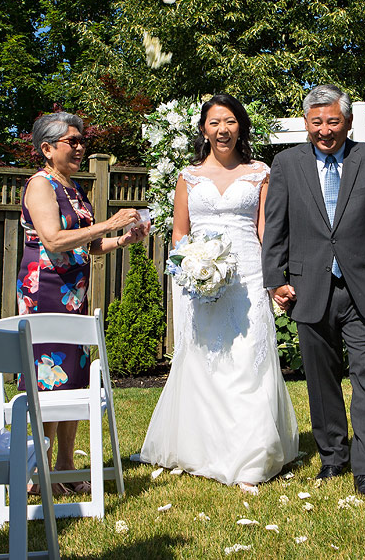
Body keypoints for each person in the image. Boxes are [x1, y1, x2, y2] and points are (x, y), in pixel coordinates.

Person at [137, 94, 299, 488]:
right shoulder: (188, 176)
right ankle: (205, 449)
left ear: (240, 126)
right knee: (207, 360)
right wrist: (189, 266)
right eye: (214, 122)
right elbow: (179, 231)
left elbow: (266, 230)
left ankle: (252, 455)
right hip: (200, 279)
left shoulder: (260, 172)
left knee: (247, 359)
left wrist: (276, 276)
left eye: (229, 121)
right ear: (204, 130)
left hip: (247, 272)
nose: (222, 129)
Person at [262, 85, 365, 500]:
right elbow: (275, 228)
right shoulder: (287, 164)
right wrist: (275, 277)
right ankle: (332, 457)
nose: (325, 130)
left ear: (348, 122)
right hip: (308, 289)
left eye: (333, 121)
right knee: (320, 382)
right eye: (317, 122)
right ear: (307, 123)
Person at [18, 111, 149, 496]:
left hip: (73, 296)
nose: (79, 146)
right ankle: (37, 470)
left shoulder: (73, 187)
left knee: (73, 378)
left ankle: (65, 466)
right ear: (47, 148)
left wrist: (123, 240)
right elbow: (55, 240)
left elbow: (88, 245)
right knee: (47, 381)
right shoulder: (40, 185)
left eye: (81, 140)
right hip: (45, 294)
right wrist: (109, 223)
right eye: (70, 141)